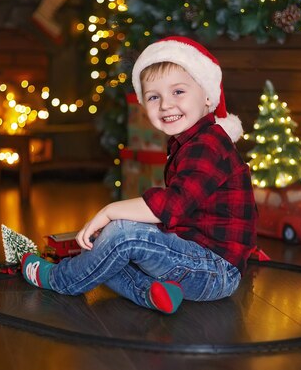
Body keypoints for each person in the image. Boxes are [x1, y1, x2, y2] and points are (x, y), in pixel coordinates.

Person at [21, 36, 257, 314]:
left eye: (178, 92)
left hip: (214, 271)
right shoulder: (191, 142)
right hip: (193, 258)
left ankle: (60, 280)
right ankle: (152, 294)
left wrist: (110, 212)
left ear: (207, 95)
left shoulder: (208, 145)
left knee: (120, 233)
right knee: (102, 248)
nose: (166, 105)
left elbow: (173, 206)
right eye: (154, 97)